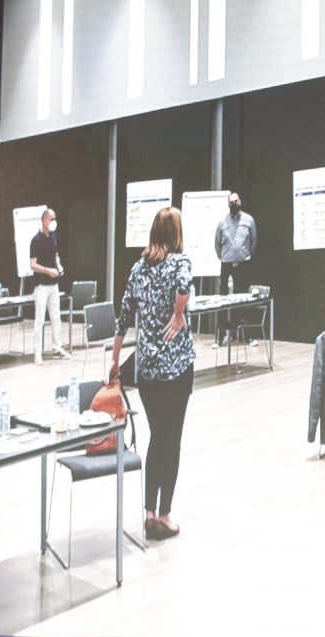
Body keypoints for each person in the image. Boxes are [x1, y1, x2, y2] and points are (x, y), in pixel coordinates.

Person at [109, 207, 195, 541]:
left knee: (157, 435)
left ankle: (147, 512)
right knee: (171, 439)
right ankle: (164, 515)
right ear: (176, 232)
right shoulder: (180, 262)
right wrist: (178, 313)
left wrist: (115, 360)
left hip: (146, 370)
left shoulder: (138, 268)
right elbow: (184, 287)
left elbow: (123, 316)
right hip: (176, 367)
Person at [212, 191, 257, 347]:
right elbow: (217, 244)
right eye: (231, 202)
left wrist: (244, 255)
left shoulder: (249, 220)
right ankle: (219, 337)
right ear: (228, 205)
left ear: (240, 202)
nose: (234, 204)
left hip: (243, 265)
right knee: (223, 301)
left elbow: (253, 242)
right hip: (226, 265)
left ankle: (246, 336)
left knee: (244, 300)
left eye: (236, 201)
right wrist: (226, 257)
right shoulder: (222, 222)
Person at [28, 208, 71, 365]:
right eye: (51, 219)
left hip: (54, 285)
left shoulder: (53, 236)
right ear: (44, 220)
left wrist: (58, 266)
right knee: (40, 319)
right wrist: (48, 271)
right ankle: (37, 353)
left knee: (56, 317)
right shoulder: (35, 240)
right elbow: (33, 265)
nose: (54, 222)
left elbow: (55, 255)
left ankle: (57, 348)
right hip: (41, 285)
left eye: (55, 219)